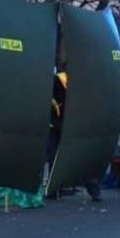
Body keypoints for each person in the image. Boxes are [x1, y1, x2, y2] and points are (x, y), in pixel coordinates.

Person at [46, 70, 102, 202]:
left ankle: (92, 188)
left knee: (77, 155)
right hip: (59, 124)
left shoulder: (73, 82)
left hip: (70, 125)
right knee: (53, 154)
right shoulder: (58, 81)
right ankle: (52, 189)